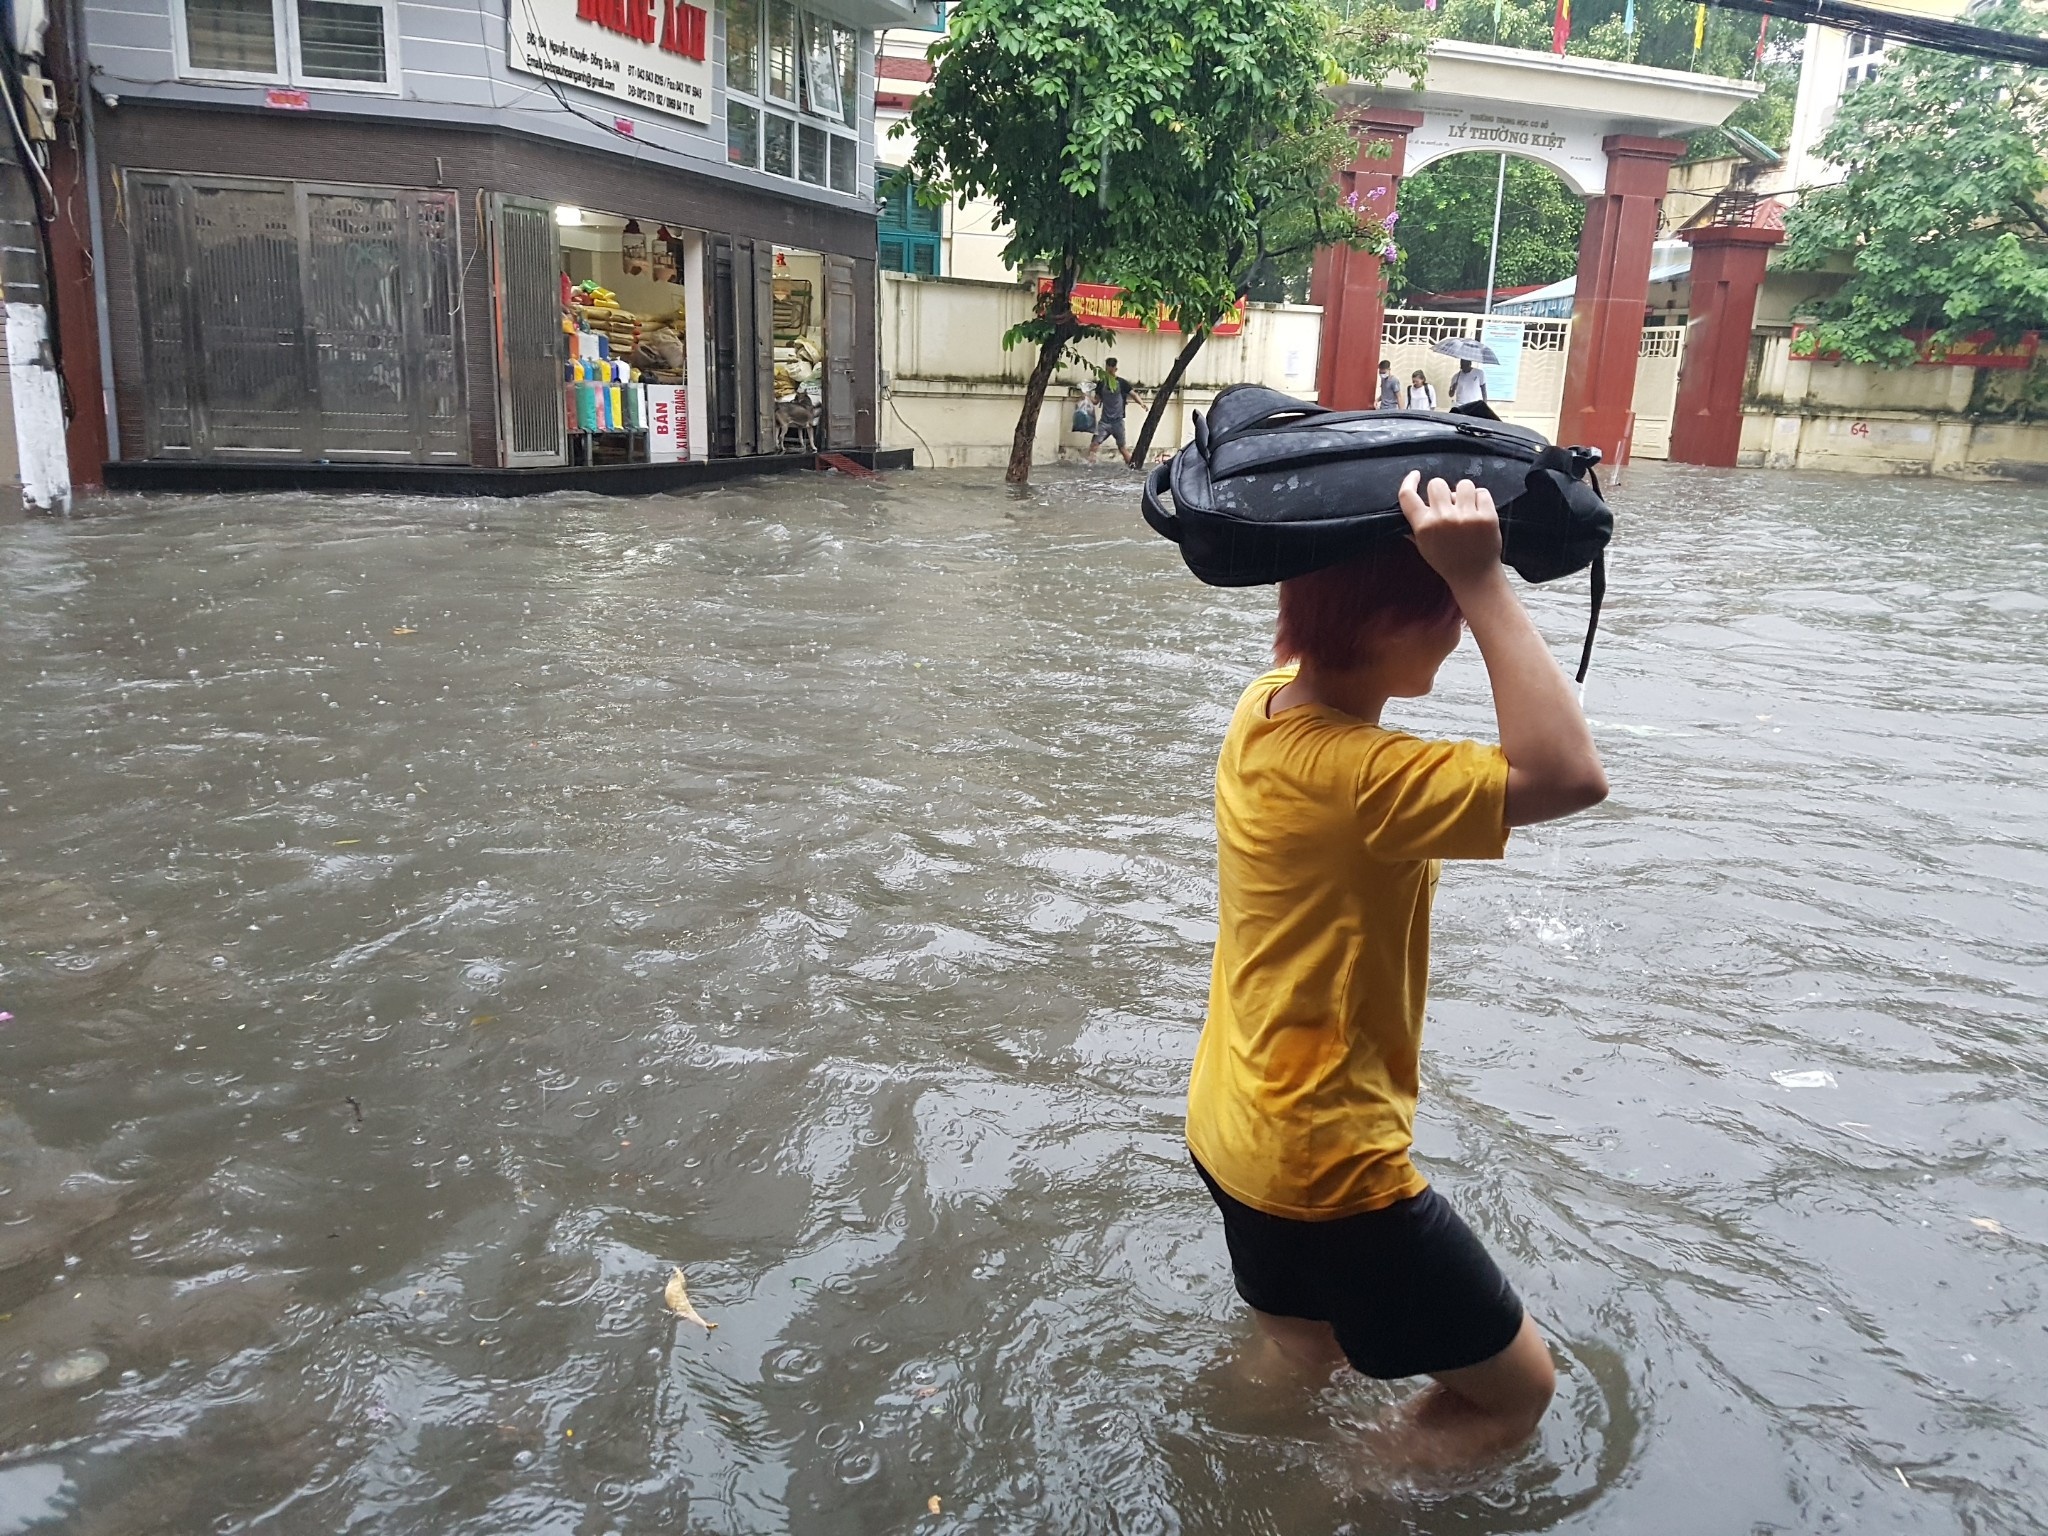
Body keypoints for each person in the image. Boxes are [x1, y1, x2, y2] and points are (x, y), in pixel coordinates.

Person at [1186, 470, 1608, 1473]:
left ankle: (1220, 1463)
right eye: (1441, 614)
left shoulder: (1262, 714)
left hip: (1233, 1122)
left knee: (1303, 1340)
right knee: (1512, 1397)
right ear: (1382, 623)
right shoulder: (1365, 781)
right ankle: (1316, 1505)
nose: (1457, 633)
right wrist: (1482, 580)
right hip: (1332, 1167)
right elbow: (1567, 775)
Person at [1088, 358, 1143, 465]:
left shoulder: (1122, 383)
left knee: (1122, 448)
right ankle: (1090, 468)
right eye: (1107, 370)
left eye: (1111, 370)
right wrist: (1086, 397)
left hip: (1118, 422)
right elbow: (1096, 401)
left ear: (1115, 369)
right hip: (1104, 422)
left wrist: (1141, 403)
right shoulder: (1101, 383)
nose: (1109, 373)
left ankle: (1133, 468)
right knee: (1094, 445)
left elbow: (1133, 394)